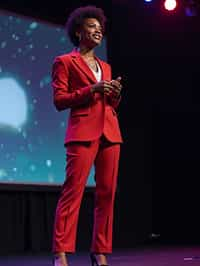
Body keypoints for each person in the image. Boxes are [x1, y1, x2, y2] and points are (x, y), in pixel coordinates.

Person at [51, 5, 123, 266]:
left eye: (100, 27)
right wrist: (91, 89)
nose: (98, 30)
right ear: (79, 31)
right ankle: (60, 253)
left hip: (110, 132)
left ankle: (100, 251)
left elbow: (109, 105)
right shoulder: (64, 62)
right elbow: (59, 100)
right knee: (73, 193)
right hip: (82, 132)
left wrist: (114, 94)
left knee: (107, 194)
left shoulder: (106, 65)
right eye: (92, 26)